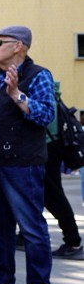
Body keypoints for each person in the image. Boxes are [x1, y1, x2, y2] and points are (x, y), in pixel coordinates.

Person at [0, 25, 56, 284]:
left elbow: (45, 115)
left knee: (31, 226)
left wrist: (17, 93)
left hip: (22, 165)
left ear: (18, 46)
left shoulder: (38, 75)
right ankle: (3, 276)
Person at [45, 83, 84, 260]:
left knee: (55, 197)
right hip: (50, 150)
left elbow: (47, 131)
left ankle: (73, 242)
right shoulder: (55, 98)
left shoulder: (49, 100)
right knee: (43, 196)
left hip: (48, 151)